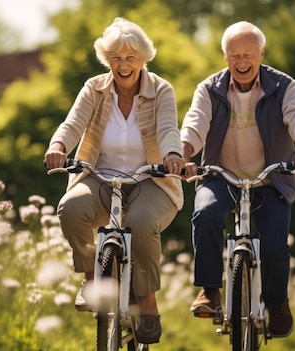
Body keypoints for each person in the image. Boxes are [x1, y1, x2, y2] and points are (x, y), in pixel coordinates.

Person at [44, 17, 185, 344]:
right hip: (99, 176)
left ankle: (147, 301)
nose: (123, 65)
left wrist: (173, 155)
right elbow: (73, 122)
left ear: (143, 59)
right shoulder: (94, 88)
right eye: (116, 58)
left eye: (131, 57)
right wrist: (57, 146)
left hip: (150, 179)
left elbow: (167, 129)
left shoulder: (161, 89)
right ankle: (93, 277)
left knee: (139, 222)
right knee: (71, 208)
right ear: (108, 61)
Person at [180, 21, 295, 338]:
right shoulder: (210, 88)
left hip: (270, 179)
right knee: (205, 213)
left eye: (248, 54)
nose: (241, 61)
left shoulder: (283, 86)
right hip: (221, 176)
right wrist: (183, 153)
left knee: (274, 247)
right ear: (225, 56)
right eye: (234, 55)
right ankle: (210, 291)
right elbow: (194, 124)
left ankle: (276, 304)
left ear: (261, 53)